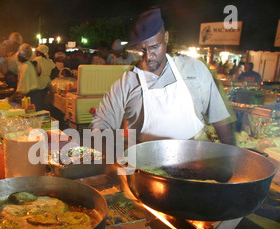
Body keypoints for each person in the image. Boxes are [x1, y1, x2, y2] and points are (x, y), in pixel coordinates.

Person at [90, 7, 236, 147]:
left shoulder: (194, 70)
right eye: (142, 50)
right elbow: (101, 123)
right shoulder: (127, 83)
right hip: (146, 165)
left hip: (196, 161)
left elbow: (220, 119)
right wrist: (112, 154)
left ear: (166, 37)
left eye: (154, 47)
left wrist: (234, 159)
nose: (148, 56)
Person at [34, 44, 58, 111]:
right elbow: (56, 71)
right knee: (43, 102)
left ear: (38, 52)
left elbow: (34, 71)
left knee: (37, 104)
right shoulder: (49, 61)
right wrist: (49, 77)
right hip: (47, 84)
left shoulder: (35, 60)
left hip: (37, 85)